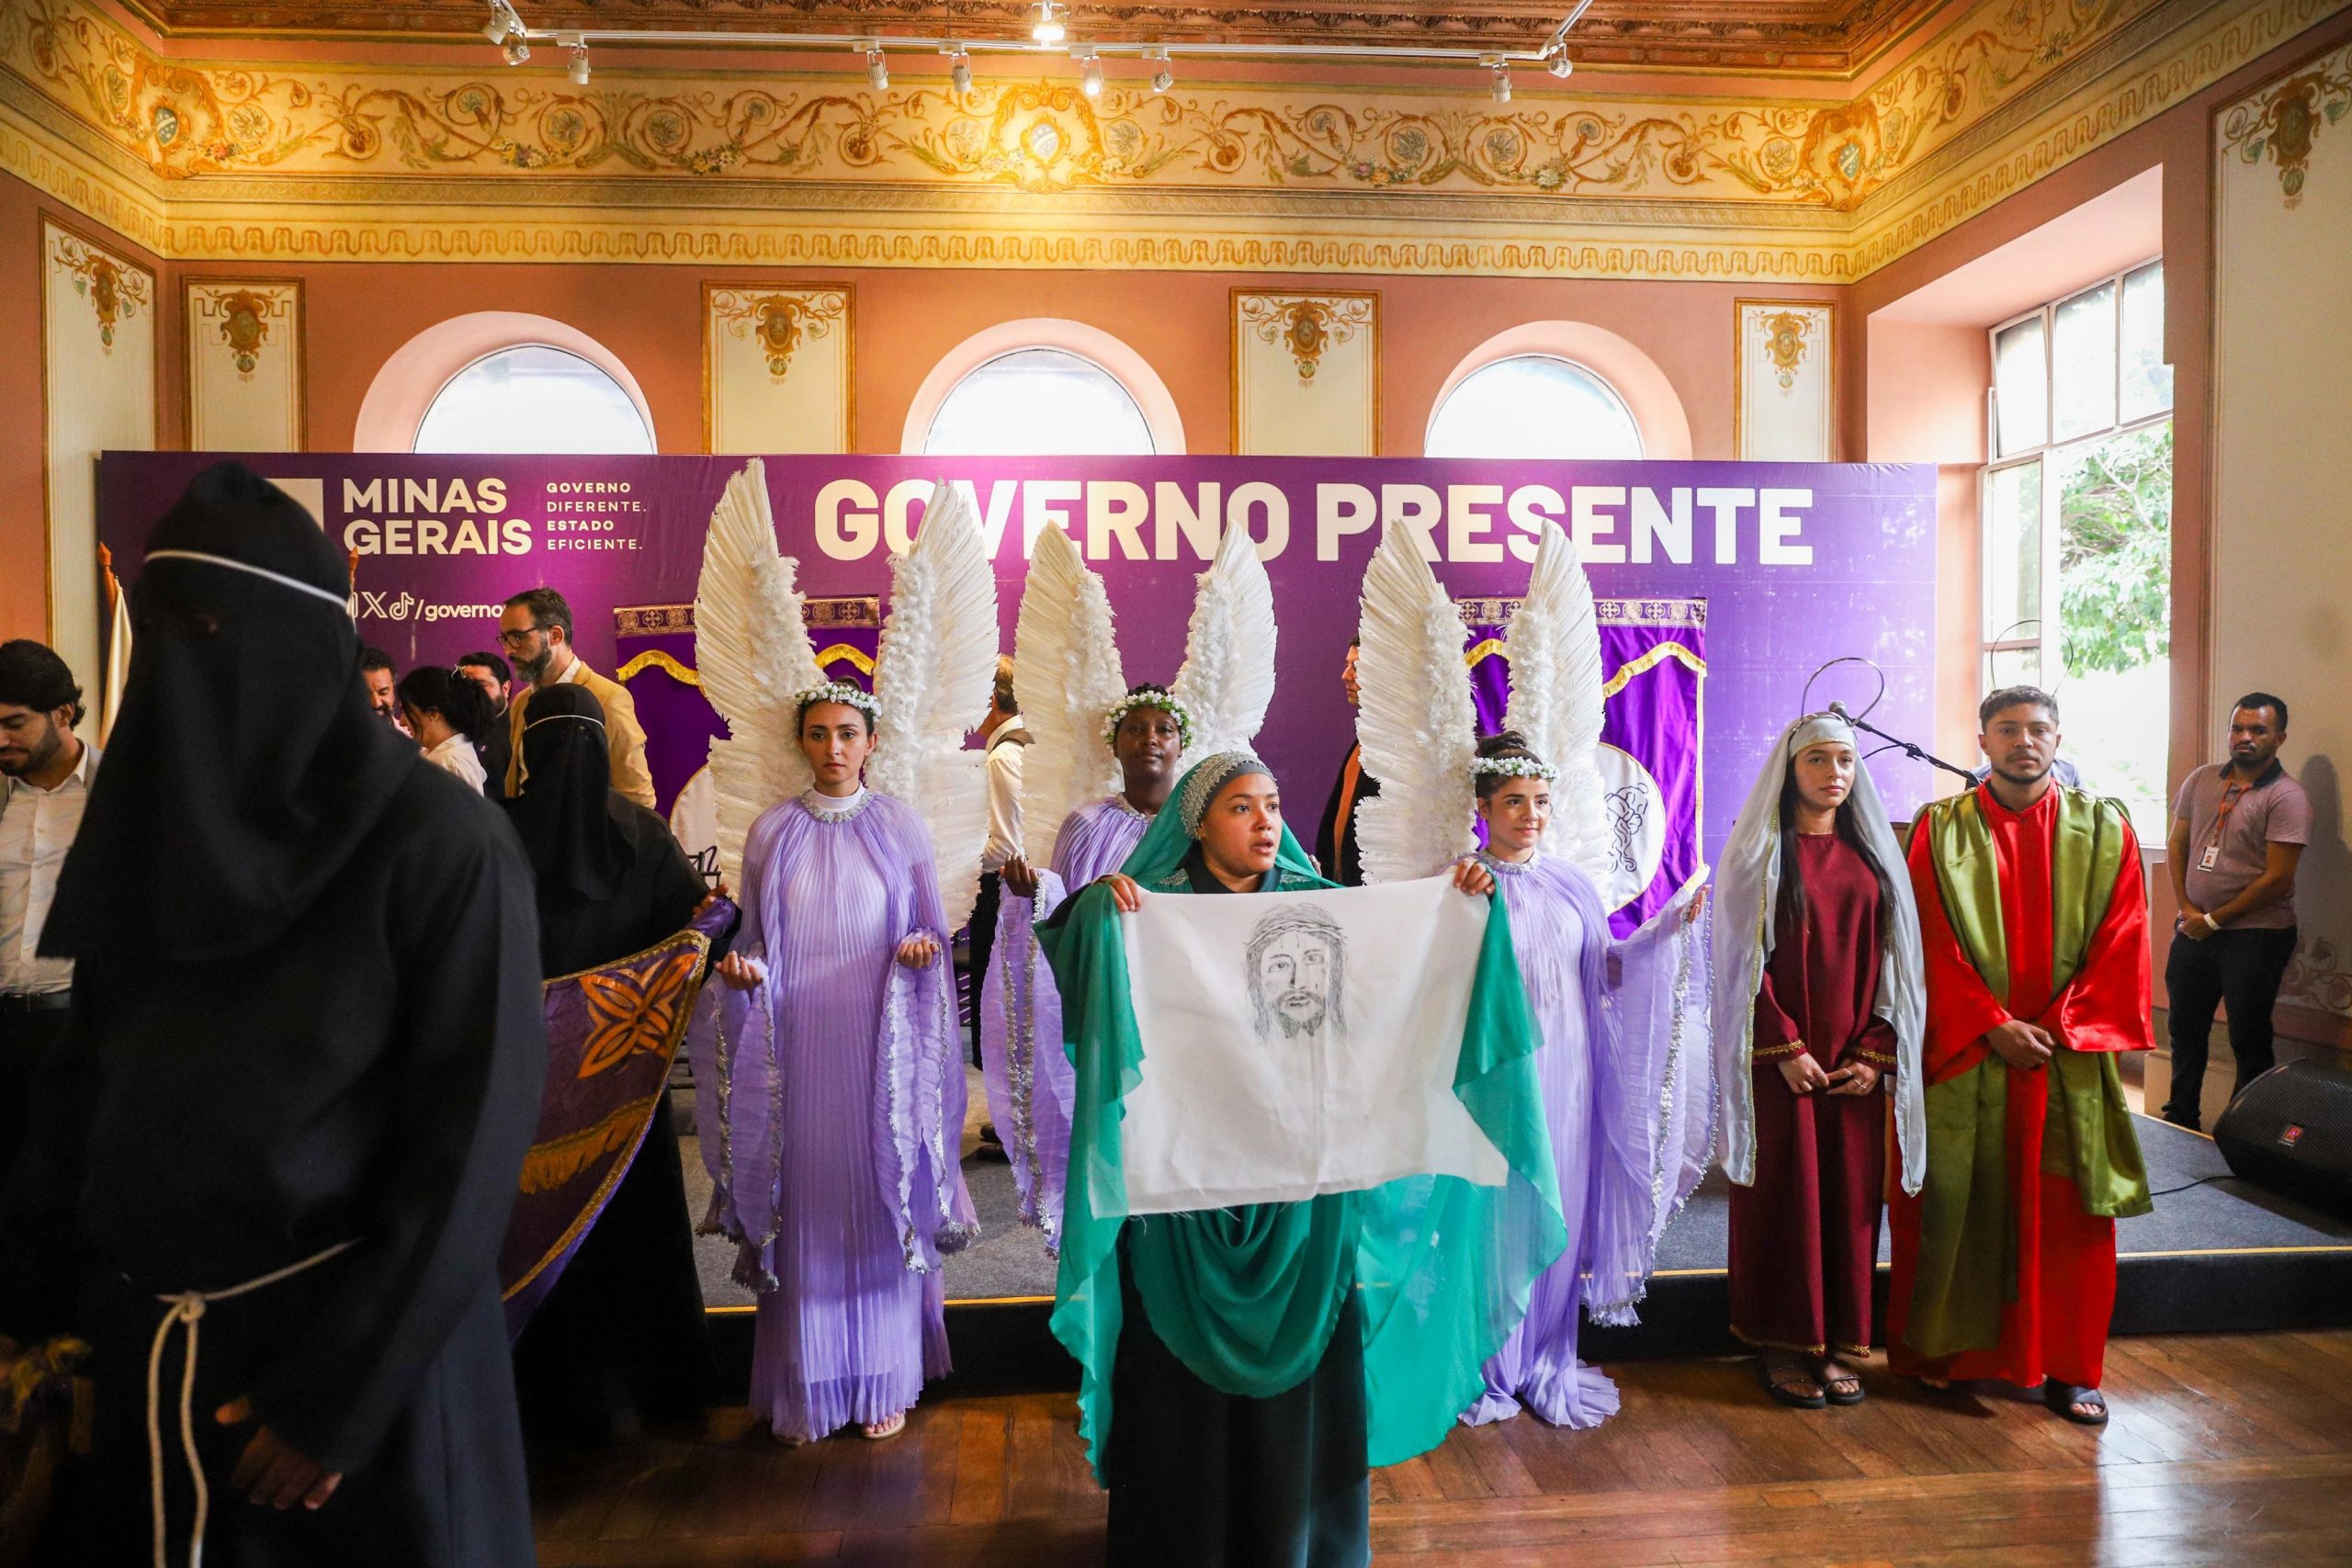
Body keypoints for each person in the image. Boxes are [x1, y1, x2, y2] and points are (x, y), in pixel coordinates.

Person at [0, 462, 546, 1564]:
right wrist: (29, 1307)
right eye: (164, 635)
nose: (184, 669)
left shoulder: (442, 847)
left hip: (347, 1394)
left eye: (213, 629)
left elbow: (467, 1153)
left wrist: (343, 1395)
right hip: (145, 1363)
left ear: (299, 646)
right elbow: (87, 1089)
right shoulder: (150, 836)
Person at [1041, 751, 1560, 1566]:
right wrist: (1097, 910)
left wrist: (1459, 904)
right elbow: (1072, 950)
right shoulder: (1151, 907)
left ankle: (1297, 1536)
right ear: (1197, 822)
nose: (1265, 822)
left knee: (1306, 1368)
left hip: (1300, 1196)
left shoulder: (1318, 905)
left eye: (1273, 804)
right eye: (1242, 807)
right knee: (1180, 1377)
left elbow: (1399, 968)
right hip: (1186, 1195)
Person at [701, 684, 975, 1445]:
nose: (833, 749)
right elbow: (754, 939)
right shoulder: (770, 832)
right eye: (818, 735)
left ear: (871, 742)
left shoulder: (900, 827)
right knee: (811, 1199)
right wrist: (745, 971)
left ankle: (885, 1372)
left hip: (877, 1043)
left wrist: (921, 947)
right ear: (801, 743)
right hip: (797, 1041)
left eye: (847, 734)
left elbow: (930, 927)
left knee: (877, 1189)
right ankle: (808, 1376)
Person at [1888, 686, 2152, 1427]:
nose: (2024, 741)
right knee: (1953, 1204)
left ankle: (2071, 1368)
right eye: (2008, 729)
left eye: (2038, 728)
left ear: (2058, 734)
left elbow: (2124, 933)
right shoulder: (1941, 830)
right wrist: (1989, 1021)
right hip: (1972, 1052)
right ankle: (1949, 1355)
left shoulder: (2104, 829)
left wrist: (2061, 1023)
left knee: (2069, 1216)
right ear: (1983, 738)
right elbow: (1923, 940)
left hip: (2066, 1056)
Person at [1453, 731, 1707, 1432]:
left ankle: (1544, 1356)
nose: (1529, 814)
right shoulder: (1460, 882)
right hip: (1497, 1077)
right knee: (1500, 1215)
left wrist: (1665, 931)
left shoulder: (1571, 884)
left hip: (1569, 1073)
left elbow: (1607, 970)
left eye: (1539, 800)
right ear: (1482, 805)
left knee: (1557, 1208)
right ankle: (1488, 1362)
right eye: (1512, 801)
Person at [503, 682, 728, 1444]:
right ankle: (659, 1385)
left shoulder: (493, 834)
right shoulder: (641, 834)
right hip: (624, 1084)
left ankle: (543, 1398)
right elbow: (693, 932)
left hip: (522, 1093)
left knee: (534, 1226)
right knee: (634, 1230)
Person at [1712, 713, 1924, 1411]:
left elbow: (1898, 960)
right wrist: (1784, 1046)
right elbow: (1741, 964)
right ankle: (1781, 1341)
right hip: (1786, 1065)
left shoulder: (1872, 857)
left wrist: (1875, 1050)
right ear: (1790, 769)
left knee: (1849, 1202)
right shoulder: (1759, 855)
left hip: (1852, 1063)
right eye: (1818, 761)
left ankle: (1838, 1340)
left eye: (1845, 760)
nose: (1834, 773)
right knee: (1786, 1197)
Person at [985, 682, 1186, 1251]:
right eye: (1135, 729)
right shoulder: (1087, 825)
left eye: (1163, 730)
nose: (1149, 740)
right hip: (1107, 1000)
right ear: (1114, 745)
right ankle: (1109, 1246)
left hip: (1179, 1005)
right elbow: (1064, 914)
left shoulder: (1200, 824)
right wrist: (1037, 892)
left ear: (1180, 745)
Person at [2162, 693, 2309, 1130]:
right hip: (2194, 928)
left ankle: (2246, 1130)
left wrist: (2213, 920)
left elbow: (2277, 879)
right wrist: (2190, 910)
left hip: (2256, 935)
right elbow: (2178, 844)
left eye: (2258, 730)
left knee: (2248, 1036)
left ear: (2279, 737)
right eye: (2238, 728)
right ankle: (2181, 1116)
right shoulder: (2203, 779)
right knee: (2184, 1028)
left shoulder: (2288, 797)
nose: (2245, 738)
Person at [0, 640, 97, 1177]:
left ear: (63, 712)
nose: (1, 739)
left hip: (83, 1033)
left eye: (15, 723)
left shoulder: (118, 795)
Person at [497, 587, 655, 809]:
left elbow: (638, 799)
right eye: (504, 639)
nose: (508, 651)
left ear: (555, 635)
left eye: (517, 637)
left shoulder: (608, 698)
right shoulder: (522, 702)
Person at [967, 655, 1027, 1102]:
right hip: (1021, 889)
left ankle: (1013, 1118)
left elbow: (1005, 846)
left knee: (1000, 1000)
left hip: (1004, 891)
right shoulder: (1025, 745)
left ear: (990, 699)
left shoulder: (1003, 756)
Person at [1313, 637, 1379, 886]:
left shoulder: (1400, 750)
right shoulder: (1363, 741)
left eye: (1357, 668)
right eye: (1348, 665)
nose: (1346, 675)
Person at [396, 665, 496, 793]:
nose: (402, 721)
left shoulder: (450, 764)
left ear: (433, 713)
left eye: (406, 711)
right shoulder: (441, 756)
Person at [455, 649, 514, 797]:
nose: (472, 692)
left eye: (482, 686)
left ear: (505, 688)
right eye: (466, 685)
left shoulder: (519, 732)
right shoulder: (450, 727)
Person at [359, 645, 401, 729]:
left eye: (383, 693)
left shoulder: (413, 739)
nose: (376, 703)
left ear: (393, 691)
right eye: (366, 694)